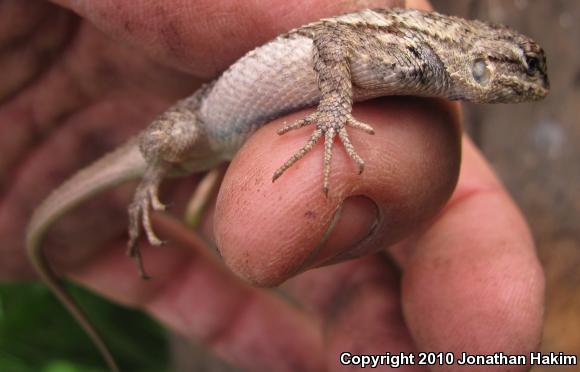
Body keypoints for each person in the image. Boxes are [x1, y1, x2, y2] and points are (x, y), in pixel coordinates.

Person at [0, 0, 544, 370]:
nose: (528, 85)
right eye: (521, 69)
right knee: (166, 145)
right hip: (198, 120)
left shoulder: (421, 60)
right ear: (483, 64)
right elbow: (331, 48)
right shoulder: (404, 44)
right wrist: (335, 111)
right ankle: (148, 184)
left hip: (232, 139)